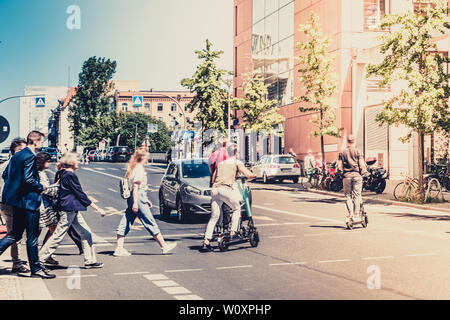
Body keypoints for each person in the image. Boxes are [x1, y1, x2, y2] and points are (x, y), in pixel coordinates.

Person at [0, 131, 55, 279]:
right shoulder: (30, 156)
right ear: (35, 142)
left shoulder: (17, 155)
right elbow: (28, 180)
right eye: (41, 142)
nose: (42, 145)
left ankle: (36, 268)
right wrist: (40, 187)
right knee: (32, 237)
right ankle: (36, 269)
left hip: (16, 202)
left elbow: (6, 175)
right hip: (29, 202)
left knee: (15, 234)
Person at [39, 152, 105, 269]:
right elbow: (80, 194)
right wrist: (97, 208)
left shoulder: (62, 173)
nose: (79, 162)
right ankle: (40, 259)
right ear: (72, 162)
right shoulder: (70, 175)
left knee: (86, 233)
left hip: (71, 209)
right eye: (77, 160)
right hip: (68, 209)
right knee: (58, 235)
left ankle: (90, 260)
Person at [114, 147, 177, 256]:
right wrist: (136, 202)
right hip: (138, 197)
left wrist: (143, 200)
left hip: (136, 197)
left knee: (126, 221)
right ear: (143, 157)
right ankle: (164, 246)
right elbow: (135, 186)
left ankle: (119, 248)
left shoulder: (133, 167)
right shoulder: (139, 168)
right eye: (147, 155)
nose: (148, 157)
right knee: (149, 221)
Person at [202, 144, 256, 252]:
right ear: (236, 153)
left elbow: (214, 178)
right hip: (225, 190)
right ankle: (233, 232)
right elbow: (248, 174)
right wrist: (254, 175)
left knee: (214, 217)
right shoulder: (236, 162)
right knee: (236, 208)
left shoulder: (221, 163)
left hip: (215, 189)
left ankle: (206, 241)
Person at [0, 138, 29, 273]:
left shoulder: (4, 164)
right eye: (20, 150)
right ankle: (17, 263)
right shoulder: (14, 165)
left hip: (6, 202)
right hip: (11, 202)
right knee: (14, 235)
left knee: (14, 234)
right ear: (14, 152)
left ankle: (17, 262)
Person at [337, 134, 368, 224]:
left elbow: (339, 166)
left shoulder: (342, 153)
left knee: (348, 196)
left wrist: (340, 173)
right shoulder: (358, 151)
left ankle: (350, 213)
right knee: (357, 195)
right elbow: (362, 164)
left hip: (346, 176)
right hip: (357, 176)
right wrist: (365, 171)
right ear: (354, 141)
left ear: (347, 141)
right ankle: (356, 213)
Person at [35, 152, 59, 265]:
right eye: (48, 161)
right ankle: (40, 257)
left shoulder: (40, 173)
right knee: (47, 231)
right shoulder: (40, 174)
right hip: (42, 206)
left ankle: (45, 255)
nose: (50, 163)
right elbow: (45, 189)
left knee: (53, 229)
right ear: (42, 162)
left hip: (44, 205)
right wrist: (56, 186)